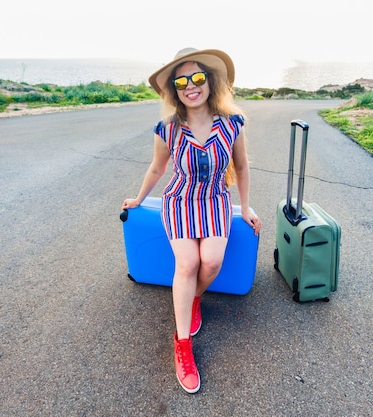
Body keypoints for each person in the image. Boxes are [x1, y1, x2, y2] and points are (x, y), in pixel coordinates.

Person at [121, 47, 262, 394]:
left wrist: (245, 207)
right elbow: (157, 168)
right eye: (182, 81)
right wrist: (139, 198)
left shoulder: (232, 123)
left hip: (214, 200)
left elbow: (241, 168)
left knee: (211, 262)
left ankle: (194, 298)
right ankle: (182, 344)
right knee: (188, 263)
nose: (190, 86)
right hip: (180, 201)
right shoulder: (167, 129)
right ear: (174, 89)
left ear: (210, 82)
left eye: (197, 78)